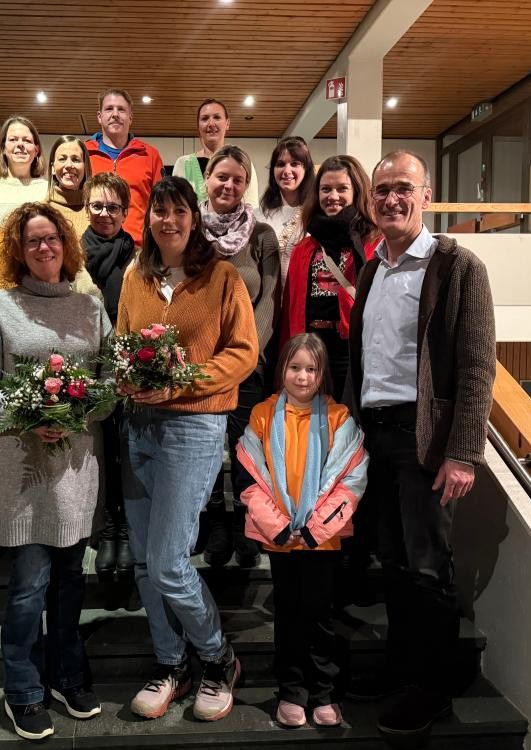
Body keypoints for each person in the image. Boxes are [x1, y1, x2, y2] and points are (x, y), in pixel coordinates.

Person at [344, 150, 495, 741]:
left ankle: (431, 687)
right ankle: (403, 673)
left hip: (425, 440)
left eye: (403, 188)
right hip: (376, 435)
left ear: (426, 195)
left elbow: (479, 366)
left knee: (428, 568)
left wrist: (463, 452)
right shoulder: (373, 269)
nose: (390, 199)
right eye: (381, 190)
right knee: (396, 563)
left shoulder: (458, 266)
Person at [0, 202, 113, 742]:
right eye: (32, 241)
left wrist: (77, 413)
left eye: (51, 239)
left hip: (75, 469)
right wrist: (24, 418)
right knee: (29, 584)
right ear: (17, 251)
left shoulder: (90, 309)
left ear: (66, 246)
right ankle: (22, 687)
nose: (44, 248)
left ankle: (67, 673)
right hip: (20, 470)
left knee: (70, 580)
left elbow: (109, 380)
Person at [117, 177, 258, 722]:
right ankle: (171, 662)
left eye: (179, 211)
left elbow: (243, 353)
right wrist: (126, 376)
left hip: (193, 427)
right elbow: (122, 340)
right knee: (145, 562)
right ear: (148, 218)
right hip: (139, 427)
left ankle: (217, 657)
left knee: (171, 562)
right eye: (159, 211)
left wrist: (182, 381)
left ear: (193, 219)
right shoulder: (137, 275)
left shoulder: (221, 276)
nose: (168, 221)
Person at [236, 333, 368, 728]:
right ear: (283, 370)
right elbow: (251, 478)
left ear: (323, 373)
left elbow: (350, 479)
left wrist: (312, 531)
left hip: (321, 541)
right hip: (281, 543)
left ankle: (324, 692)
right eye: (295, 367)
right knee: (288, 616)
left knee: (320, 616)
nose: (303, 376)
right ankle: (292, 691)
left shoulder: (339, 417)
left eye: (312, 369)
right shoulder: (261, 415)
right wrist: (279, 529)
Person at [197, 145, 280, 569]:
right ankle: (215, 523)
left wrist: (248, 354)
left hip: (249, 362)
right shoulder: (190, 231)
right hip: (201, 364)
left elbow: (268, 300)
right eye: (221, 176)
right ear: (207, 179)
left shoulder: (262, 235)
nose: (228, 185)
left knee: (246, 449)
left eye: (238, 179)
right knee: (208, 449)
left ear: (247, 186)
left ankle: (248, 522)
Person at [280, 155, 379, 400]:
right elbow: (289, 309)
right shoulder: (304, 248)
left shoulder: (374, 244)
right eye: (325, 189)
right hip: (310, 352)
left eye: (342, 188)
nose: (332, 196)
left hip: (353, 350)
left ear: (356, 191)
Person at [81, 172, 136, 576]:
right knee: (94, 453)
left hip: (125, 366)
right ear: (87, 207)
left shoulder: (137, 254)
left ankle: (123, 529)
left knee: (124, 451)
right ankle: (103, 526)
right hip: (84, 365)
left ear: (125, 212)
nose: (104, 214)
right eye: (97, 205)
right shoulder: (70, 253)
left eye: (113, 207)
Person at [86, 89, 164, 246]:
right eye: (109, 108)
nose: (115, 114)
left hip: (137, 250)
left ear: (130, 117)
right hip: (91, 247)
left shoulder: (150, 155)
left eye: (121, 109)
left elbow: (161, 205)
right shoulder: (83, 153)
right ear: (99, 117)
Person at [172, 98, 261, 206]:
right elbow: (177, 206)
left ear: (227, 123)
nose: (211, 123)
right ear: (198, 126)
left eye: (217, 117)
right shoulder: (183, 163)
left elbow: (251, 207)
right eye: (204, 119)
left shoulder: (243, 163)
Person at [255, 136, 316, 285]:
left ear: (306, 169)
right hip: (266, 301)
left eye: (295, 164)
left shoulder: (316, 214)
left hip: (303, 301)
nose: (287, 171)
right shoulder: (258, 215)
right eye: (280, 164)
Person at [0, 115, 47, 224]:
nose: (20, 144)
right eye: (13, 139)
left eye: (27, 140)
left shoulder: (48, 190)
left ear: (36, 150)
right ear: (3, 148)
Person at [46, 135, 93, 239]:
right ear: (53, 168)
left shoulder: (96, 210)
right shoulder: (41, 210)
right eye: (62, 159)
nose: (68, 165)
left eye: (76, 159)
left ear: (85, 167)